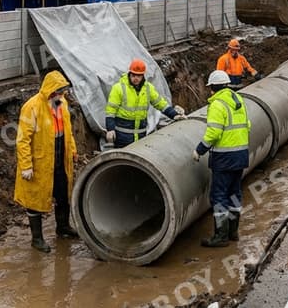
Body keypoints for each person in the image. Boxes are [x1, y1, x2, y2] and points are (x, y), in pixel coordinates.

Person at [14, 70, 78, 253]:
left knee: (62, 194)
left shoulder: (61, 103)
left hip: (59, 159)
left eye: (62, 92)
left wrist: (72, 149)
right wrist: (26, 166)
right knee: (34, 200)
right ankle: (37, 239)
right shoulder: (32, 107)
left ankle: (63, 227)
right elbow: (23, 139)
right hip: (40, 163)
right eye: (57, 92)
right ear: (50, 91)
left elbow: (68, 129)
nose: (60, 95)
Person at [192, 70, 251, 247]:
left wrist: (199, 150)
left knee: (219, 196)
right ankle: (233, 232)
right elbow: (247, 125)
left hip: (224, 158)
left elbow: (214, 132)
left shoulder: (218, 104)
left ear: (214, 87)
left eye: (211, 88)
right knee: (234, 193)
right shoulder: (237, 100)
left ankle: (221, 236)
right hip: (241, 155)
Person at [104, 58, 183, 148]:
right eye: (133, 75)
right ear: (129, 74)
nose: (135, 78)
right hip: (122, 135)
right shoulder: (118, 88)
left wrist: (174, 115)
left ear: (143, 76)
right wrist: (110, 129)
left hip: (141, 135)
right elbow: (110, 111)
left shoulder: (148, 88)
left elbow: (160, 103)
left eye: (138, 76)